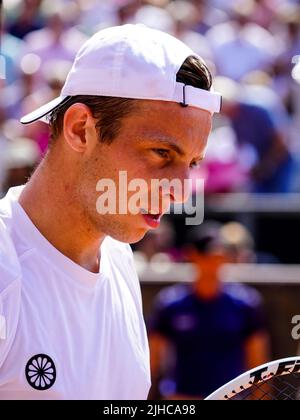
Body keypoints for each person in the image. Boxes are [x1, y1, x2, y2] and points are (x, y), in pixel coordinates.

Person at [0, 24, 221, 399]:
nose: (181, 191)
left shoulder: (119, 258)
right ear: (81, 129)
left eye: (193, 163)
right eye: (162, 153)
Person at [148, 221, 269, 399]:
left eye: (219, 255)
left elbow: (258, 363)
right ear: (191, 255)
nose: (214, 262)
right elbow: (152, 363)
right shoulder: (170, 304)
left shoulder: (246, 304)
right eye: (207, 254)